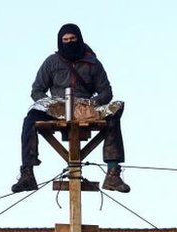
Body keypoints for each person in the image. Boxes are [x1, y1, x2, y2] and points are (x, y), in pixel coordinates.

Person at [13, 23, 129, 193]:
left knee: (114, 113)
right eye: (65, 40)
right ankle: (27, 174)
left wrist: (92, 104)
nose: (69, 42)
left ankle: (113, 174)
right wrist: (52, 106)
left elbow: (106, 92)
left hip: (85, 108)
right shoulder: (51, 62)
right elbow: (37, 90)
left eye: (72, 39)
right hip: (57, 107)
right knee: (30, 118)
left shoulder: (93, 63)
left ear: (79, 39)